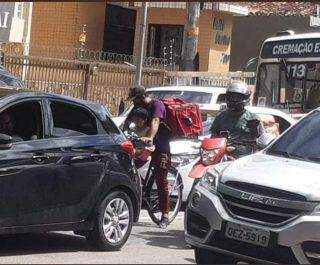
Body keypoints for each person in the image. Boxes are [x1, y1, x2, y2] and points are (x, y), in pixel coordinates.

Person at [127, 85, 171, 229]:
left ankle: (165, 214)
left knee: (161, 178)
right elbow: (128, 122)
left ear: (140, 97)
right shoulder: (137, 107)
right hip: (144, 141)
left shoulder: (157, 105)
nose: (134, 103)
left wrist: (150, 138)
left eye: (134, 100)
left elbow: (155, 122)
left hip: (160, 143)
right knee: (130, 164)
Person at [210, 81, 265, 158]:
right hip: (222, 156)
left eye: (237, 97)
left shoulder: (253, 118)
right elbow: (213, 138)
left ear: (245, 98)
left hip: (245, 158)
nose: (234, 99)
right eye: (232, 96)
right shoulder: (220, 117)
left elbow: (262, 141)